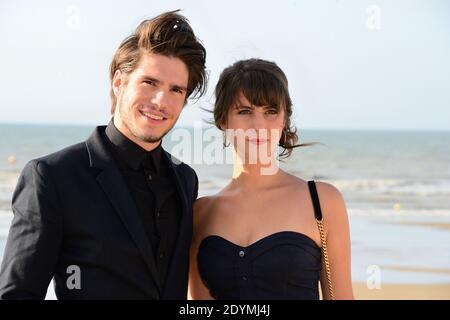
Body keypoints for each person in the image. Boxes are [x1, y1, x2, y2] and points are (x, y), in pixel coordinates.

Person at [0, 10, 207, 300]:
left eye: (176, 90)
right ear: (119, 83)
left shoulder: (185, 180)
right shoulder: (53, 177)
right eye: (150, 83)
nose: (161, 101)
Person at [188, 59, 353, 300]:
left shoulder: (323, 201)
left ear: (284, 120)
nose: (258, 125)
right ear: (223, 120)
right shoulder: (201, 213)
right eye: (245, 112)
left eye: (270, 111)